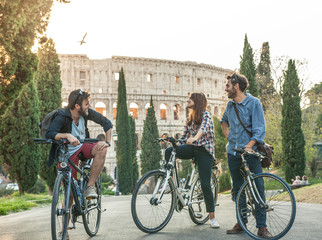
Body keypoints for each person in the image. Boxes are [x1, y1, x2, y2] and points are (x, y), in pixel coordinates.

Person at [221, 73, 271, 238]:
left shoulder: (254, 103)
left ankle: (262, 227)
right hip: (233, 153)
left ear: (236, 86)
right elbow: (223, 122)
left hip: (251, 153)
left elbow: (259, 129)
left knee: (258, 187)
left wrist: (248, 146)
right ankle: (241, 222)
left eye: (228, 85)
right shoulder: (230, 105)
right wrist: (229, 137)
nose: (226, 88)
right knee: (238, 189)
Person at [165, 92, 219, 228]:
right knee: (169, 151)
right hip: (193, 148)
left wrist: (195, 138)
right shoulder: (190, 118)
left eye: (190, 98)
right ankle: (171, 182)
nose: (187, 100)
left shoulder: (206, 115)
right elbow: (184, 137)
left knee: (205, 183)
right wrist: (174, 141)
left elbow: (203, 129)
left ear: (197, 101)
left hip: (204, 150)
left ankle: (212, 218)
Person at [46, 89, 112, 198]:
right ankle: (66, 213)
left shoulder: (86, 113)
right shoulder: (62, 116)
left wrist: (107, 142)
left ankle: (90, 187)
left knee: (102, 149)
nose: (89, 106)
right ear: (77, 106)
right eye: (86, 104)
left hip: (83, 146)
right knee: (70, 194)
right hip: (67, 153)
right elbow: (50, 133)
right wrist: (66, 135)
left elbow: (107, 123)